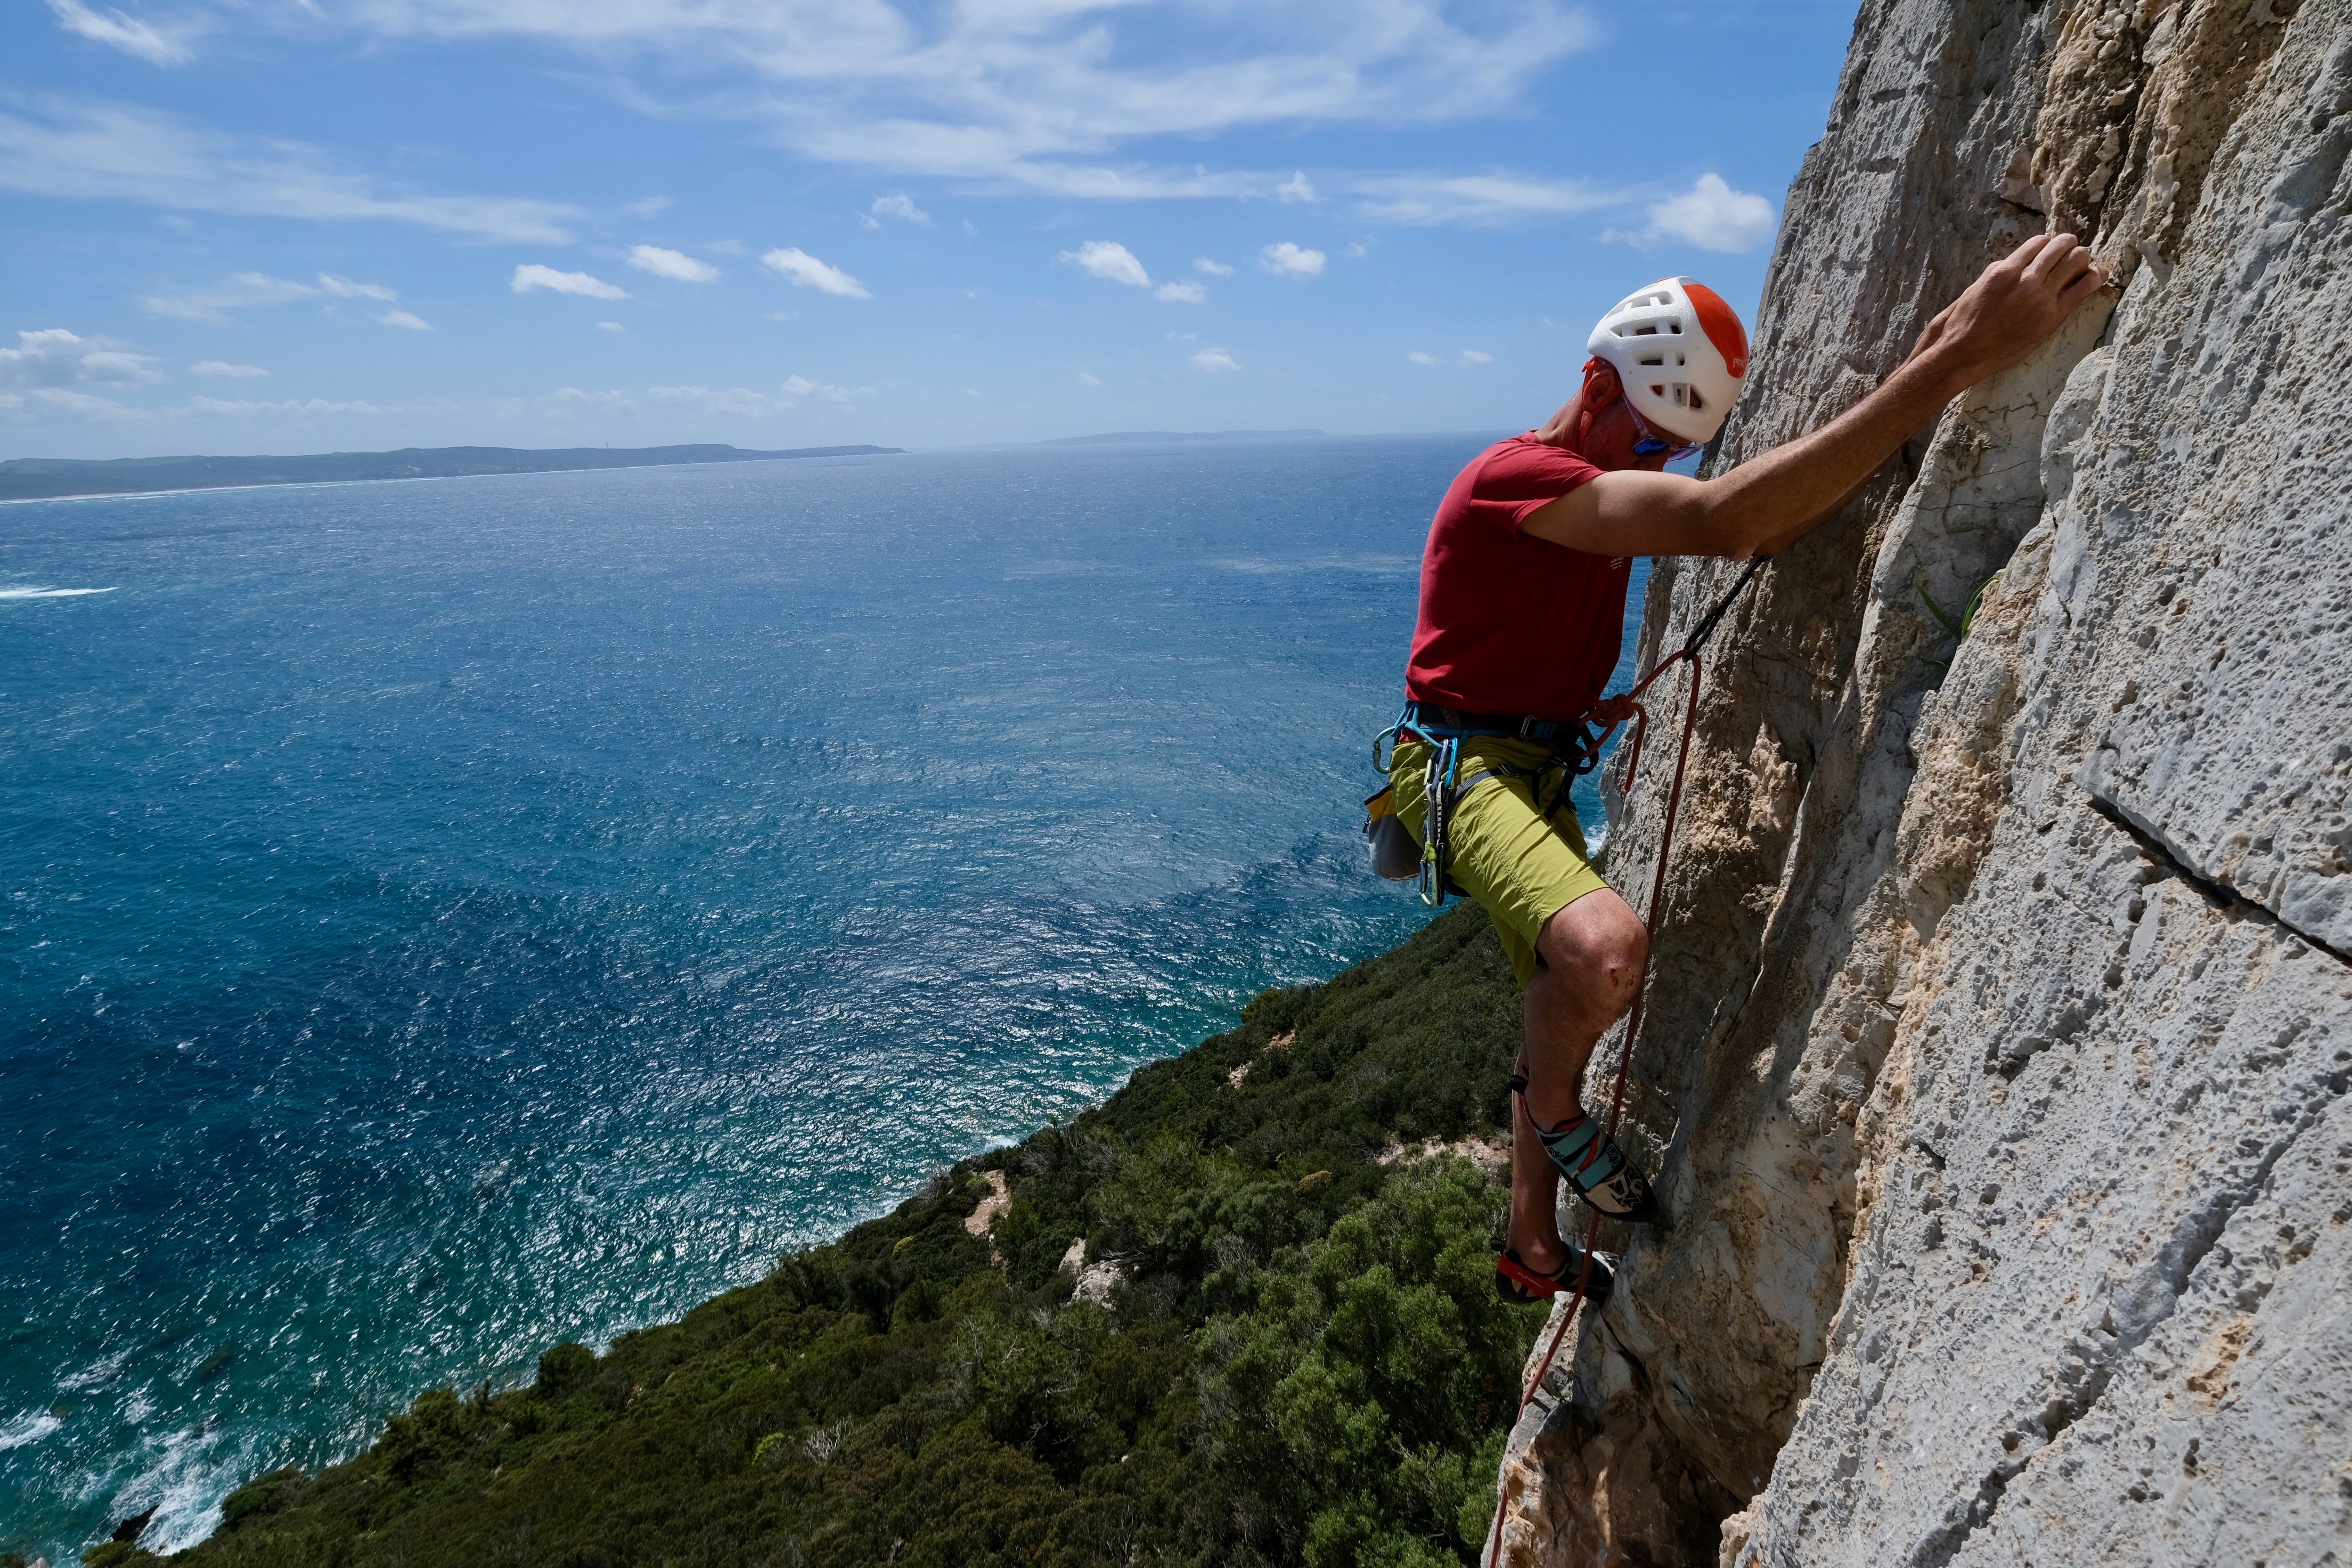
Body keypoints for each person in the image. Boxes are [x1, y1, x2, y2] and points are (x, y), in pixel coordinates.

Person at [1386, 234, 2109, 1305]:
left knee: (1556, 986)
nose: (1655, 463)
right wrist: (1953, 361)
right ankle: (1550, 1110)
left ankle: (1530, 1245)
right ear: (1594, 383)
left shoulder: (1594, 476)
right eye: (1647, 433)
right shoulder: (1517, 476)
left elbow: (1753, 508)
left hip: (1523, 757)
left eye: (1674, 449)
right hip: (1460, 768)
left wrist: (1921, 374)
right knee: (1605, 954)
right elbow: (1731, 521)